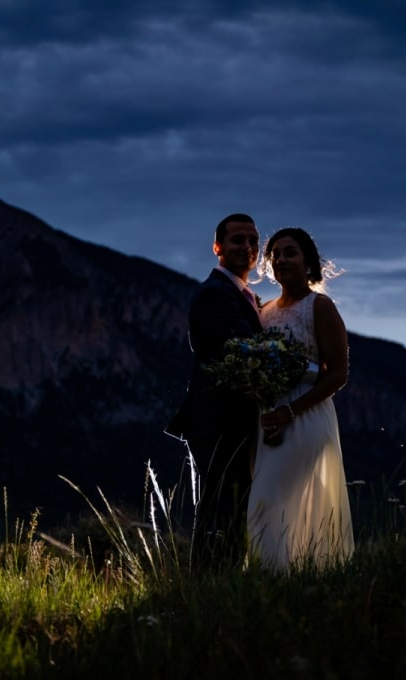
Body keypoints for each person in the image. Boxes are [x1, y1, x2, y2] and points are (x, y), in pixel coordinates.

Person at [247, 227, 354, 569]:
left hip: (306, 417)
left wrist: (291, 411)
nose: (280, 260)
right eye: (274, 254)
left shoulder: (319, 307)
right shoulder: (264, 313)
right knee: (272, 504)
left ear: (307, 261)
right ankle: (285, 578)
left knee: (269, 499)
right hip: (269, 419)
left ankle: (274, 576)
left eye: (289, 253)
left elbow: (338, 373)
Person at [166, 213, 263, 568]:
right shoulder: (213, 294)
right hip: (218, 418)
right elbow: (239, 349)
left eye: (253, 240)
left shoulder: (243, 295)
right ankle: (210, 589)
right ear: (218, 247)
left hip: (233, 419)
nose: (247, 247)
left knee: (230, 506)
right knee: (221, 507)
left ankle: (220, 586)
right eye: (238, 239)